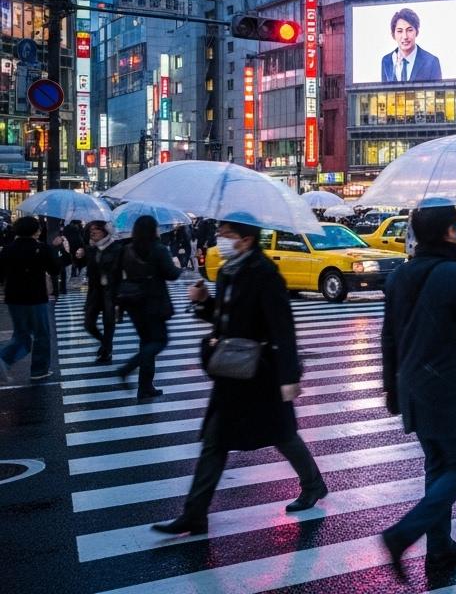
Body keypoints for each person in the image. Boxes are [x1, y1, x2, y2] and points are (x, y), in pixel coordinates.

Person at [151, 218, 327, 536]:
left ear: (245, 239)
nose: (220, 239)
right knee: (215, 442)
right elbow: (229, 316)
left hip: (260, 371)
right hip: (233, 373)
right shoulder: (231, 270)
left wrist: (289, 376)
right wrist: (205, 303)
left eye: (226, 234)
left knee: (282, 434)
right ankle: (195, 514)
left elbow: (282, 327)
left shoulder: (265, 274)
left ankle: (313, 484)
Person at [380, 198, 456, 580]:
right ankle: (404, 534)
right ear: (448, 231)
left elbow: (389, 338)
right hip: (447, 387)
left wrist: (392, 388)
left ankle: (440, 549)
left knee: (437, 467)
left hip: (413, 384)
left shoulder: (400, 274)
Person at [113, 215, 182, 400]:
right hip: (154, 302)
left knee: (146, 343)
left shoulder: (126, 249)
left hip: (133, 303)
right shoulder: (159, 249)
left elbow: (117, 274)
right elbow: (171, 274)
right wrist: (177, 265)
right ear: (153, 230)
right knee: (160, 341)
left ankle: (145, 387)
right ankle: (127, 368)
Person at [0, 216, 60, 382]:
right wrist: (54, 248)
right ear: (36, 231)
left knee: (21, 335)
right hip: (36, 297)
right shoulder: (41, 248)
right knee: (41, 334)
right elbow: (55, 269)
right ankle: (39, 369)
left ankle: (4, 358)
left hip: (13, 297)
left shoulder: (7, 249)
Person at [82, 221, 121, 364]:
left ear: (105, 231)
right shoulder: (91, 249)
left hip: (110, 292)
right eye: (91, 230)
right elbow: (84, 267)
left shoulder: (116, 248)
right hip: (94, 291)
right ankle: (106, 344)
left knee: (108, 323)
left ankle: (106, 352)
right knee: (88, 324)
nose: (93, 232)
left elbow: (119, 270)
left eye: (96, 230)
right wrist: (79, 256)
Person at [379, 8, 443, 83]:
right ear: (393, 34)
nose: (405, 36)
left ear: (416, 32)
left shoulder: (431, 62)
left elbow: (438, 93)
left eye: (409, 30)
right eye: (400, 31)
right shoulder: (386, 60)